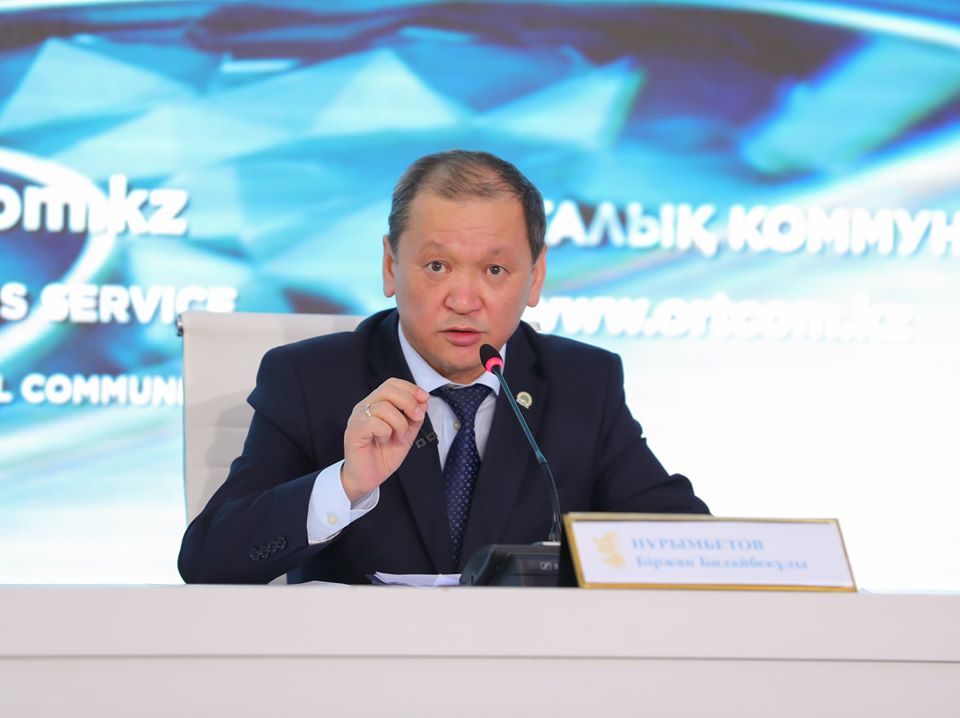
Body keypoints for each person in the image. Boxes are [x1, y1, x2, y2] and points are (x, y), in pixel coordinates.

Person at [178, 150, 708, 584]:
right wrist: (346, 484)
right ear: (390, 266)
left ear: (536, 275)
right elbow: (208, 561)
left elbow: (683, 545)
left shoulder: (582, 384)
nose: (464, 299)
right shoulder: (310, 380)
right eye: (437, 266)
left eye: (495, 269)